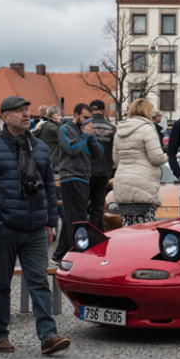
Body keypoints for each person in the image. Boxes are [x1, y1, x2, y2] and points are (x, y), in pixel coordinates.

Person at [0, 96, 69, 355]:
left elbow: (48, 188)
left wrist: (50, 222)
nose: (26, 115)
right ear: (5, 117)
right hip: (6, 227)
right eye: (19, 111)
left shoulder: (39, 148)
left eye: (26, 110)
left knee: (39, 282)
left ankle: (49, 336)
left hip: (35, 228)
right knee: (1, 283)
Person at [52, 103, 102, 265]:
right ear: (76, 115)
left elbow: (99, 153)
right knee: (79, 217)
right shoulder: (65, 129)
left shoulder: (86, 131)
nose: (88, 121)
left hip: (84, 177)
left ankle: (59, 255)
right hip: (71, 177)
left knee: (70, 217)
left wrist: (91, 136)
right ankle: (78, 255)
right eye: (85, 118)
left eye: (90, 118)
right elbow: (72, 150)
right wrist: (86, 137)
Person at [112, 99, 167, 227]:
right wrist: (167, 157)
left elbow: (116, 160)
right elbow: (156, 158)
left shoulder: (119, 130)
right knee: (144, 228)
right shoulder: (147, 128)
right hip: (143, 186)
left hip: (123, 186)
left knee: (127, 228)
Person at [88, 99, 117, 232]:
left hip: (87, 171)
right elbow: (114, 152)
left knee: (82, 206)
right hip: (104, 171)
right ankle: (95, 234)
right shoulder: (112, 128)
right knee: (98, 207)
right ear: (104, 111)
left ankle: (82, 237)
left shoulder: (85, 126)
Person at [33, 105, 62, 170]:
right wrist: (59, 122)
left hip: (42, 157)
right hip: (52, 158)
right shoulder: (51, 127)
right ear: (54, 116)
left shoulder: (42, 124)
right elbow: (65, 134)